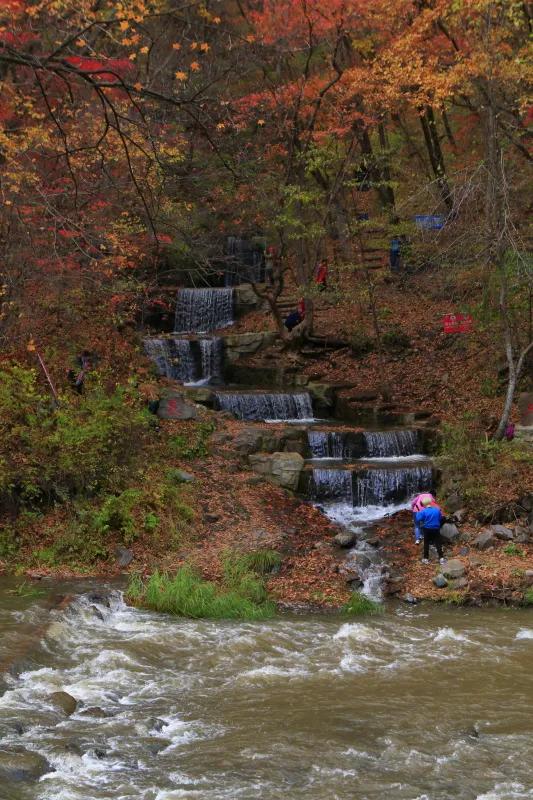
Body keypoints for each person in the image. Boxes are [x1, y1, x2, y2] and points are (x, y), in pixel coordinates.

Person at [415, 497, 445, 564]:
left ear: (423, 504)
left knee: (426, 543)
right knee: (438, 543)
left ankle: (426, 559)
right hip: (436, 529)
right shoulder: (437, 510)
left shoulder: (423, 511)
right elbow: (440, 518)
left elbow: (418, 519)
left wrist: (418, 512)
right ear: (430, 502)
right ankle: (441, 558)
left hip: (427, 529)